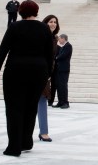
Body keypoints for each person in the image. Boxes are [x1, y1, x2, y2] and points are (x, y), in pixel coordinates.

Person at [0, 0, 54, 157]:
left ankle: (14, 146)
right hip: (38, 71)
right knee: (30, 107)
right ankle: (26, 141)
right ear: (37, 12)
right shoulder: (45, 28)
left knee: (14, 108)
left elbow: (3, 49)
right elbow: (49, 54)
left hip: (15, 70)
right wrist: (48, 73)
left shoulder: (15, 27)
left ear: (20, 12)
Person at [37, 14, 59, 142]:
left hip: (46, 74)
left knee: (42, 101)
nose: (53, 24)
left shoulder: (55, 39)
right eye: (50, 21)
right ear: (45, 23)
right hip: (36, 71)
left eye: (55, 22)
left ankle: (44, 132)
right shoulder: (39, 36)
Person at [53, 34, 72, 109]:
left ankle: (65, 102)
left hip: (64, 69)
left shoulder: (68, 46)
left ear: (63, 39)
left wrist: (56, 58)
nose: (58, 40)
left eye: (59, 39)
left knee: (63, 86)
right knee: (59, 86)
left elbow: (62, 56)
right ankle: (60, 102)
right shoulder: (62, 46)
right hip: (59, 69)